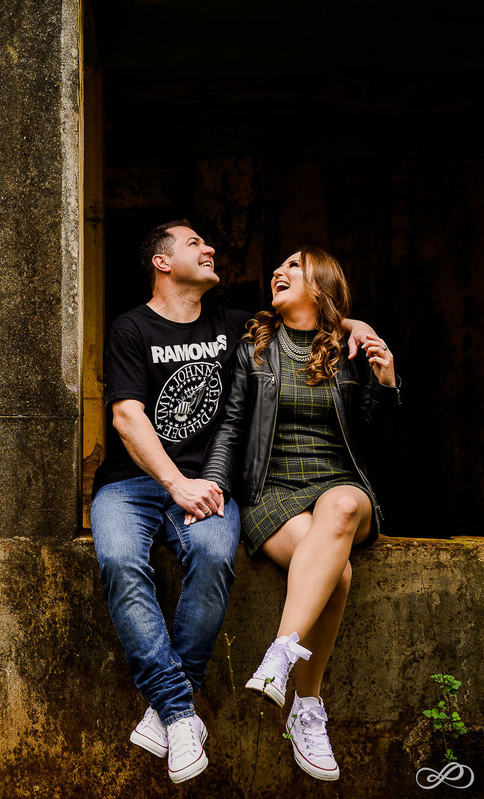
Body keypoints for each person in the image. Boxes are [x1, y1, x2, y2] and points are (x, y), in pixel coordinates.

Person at [91, 223, 377, 785]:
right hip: (133, 483)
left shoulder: (234, 327)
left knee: (215, 557)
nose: (209, 249)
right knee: (121, 561)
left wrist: (355, 325)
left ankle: (173, 712)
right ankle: (179, 711)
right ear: (162, 262)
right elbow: (126, 417)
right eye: (194, 243)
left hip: (210, 484)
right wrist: (177, 483)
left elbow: (307, 315)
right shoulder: (130, 327)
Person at [200, 246, 398, 782]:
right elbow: (231, 425)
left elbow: (375, 439)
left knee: (340, 507)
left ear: (320, 284)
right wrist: (212, 487)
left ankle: (279, 656)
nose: (278, 271)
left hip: (341, 485)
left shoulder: (349, 349)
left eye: (293, 265)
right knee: (338, 574)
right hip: (273, 491)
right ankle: (307, 707)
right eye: (279, 266)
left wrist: (385, 383)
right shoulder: (254, 349)